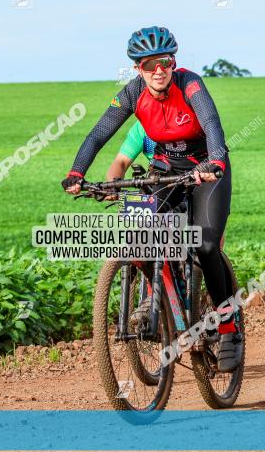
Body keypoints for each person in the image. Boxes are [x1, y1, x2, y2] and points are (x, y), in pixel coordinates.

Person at [61, 26, 242, 372]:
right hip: (165, 169)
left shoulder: (191, 84)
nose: (158, 70)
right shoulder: (131, 94)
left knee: (205, 246)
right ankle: (157, 298)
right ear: (138, 70)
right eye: (148, 65)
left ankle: (229, 326)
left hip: (206, 168)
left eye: (164, 62)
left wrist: (216, 161)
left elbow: (213, 125)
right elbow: (99, 132)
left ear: (173, 62)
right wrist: (77, 172)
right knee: (143, 233)